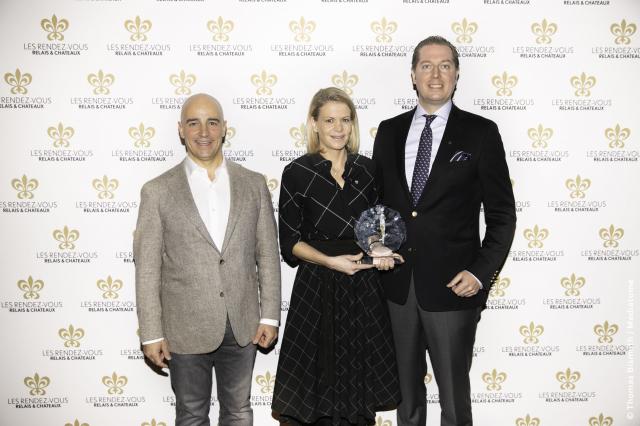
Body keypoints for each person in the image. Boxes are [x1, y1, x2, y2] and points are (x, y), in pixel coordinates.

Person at [372, 36, 517, 426]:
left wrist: (480, 273)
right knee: (405, 402)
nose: (435, 75)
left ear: (456, 74)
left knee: (454, 403)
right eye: (426, 66)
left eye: (445, 65)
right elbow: (374, 205)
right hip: (397, 290)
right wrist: (374, 245)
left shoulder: (481, 132)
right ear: (413, 75)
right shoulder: (388, 131)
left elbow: (503, 215)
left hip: (455, 289)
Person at [134, 93, 281, 426]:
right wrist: (151, 334)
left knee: (238, 411)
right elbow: (148, 269)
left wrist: (270, 316)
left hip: (243, 324)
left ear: (224, 128)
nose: (204, 132)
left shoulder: (253, 184)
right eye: (194, 123)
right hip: (184, 327)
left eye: (212, 122)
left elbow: (268, 255)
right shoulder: (157, 191)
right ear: (180, 130)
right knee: (191, 414)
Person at [272, 87, 401, 425]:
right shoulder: (297, 172)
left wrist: (380, 252)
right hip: (317, 287)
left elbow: (372, 228)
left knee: (358, 392)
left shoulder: (368, 169)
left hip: (362, 288)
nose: (338, 128)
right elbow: (290, 242)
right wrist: (330, 261)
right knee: (315, 391)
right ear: (314, 123)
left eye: (345, 120)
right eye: (329, 120)